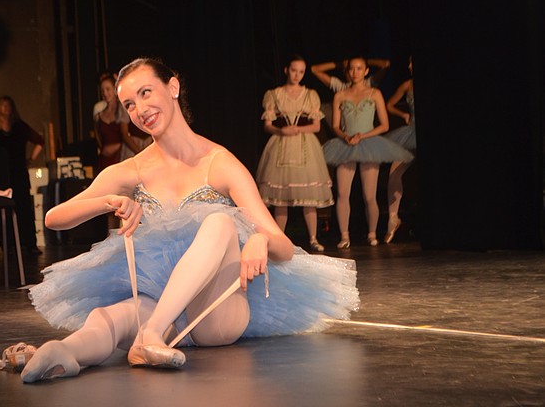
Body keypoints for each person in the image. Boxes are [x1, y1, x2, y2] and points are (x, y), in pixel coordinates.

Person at [20, 57, 359, 383]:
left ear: (173, 87)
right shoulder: (133, 170)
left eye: (145, 93)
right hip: (160, 301)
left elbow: (282, 247)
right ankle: (60, 353)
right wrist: (109, 200)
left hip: (215, 314)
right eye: (128, 105)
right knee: (112, 317)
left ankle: (149, 337)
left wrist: (259, 239)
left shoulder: (219, 162)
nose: (139, 110)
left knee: (221, 223)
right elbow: (55, 218)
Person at [322, 56, 413, 248]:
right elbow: (336, 125)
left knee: (369, 195)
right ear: (347, 72)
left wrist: (362, 136)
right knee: (342, 193)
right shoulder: (341, 95)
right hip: (346, 145)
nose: (355, 72)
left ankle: (372, 233)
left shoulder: (375, 93)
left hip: (369, 143)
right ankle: (344, 235)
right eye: (352, 69)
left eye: (359, 68)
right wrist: (346, 137)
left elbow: (384, 125)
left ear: (366, 71)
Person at [255, 55, 333, 253]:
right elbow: (267, 126)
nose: (297, 75)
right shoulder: (274, 94)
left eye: (301, 71)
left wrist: (298, 130)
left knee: (308, 196)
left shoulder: (310, 95)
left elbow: (316, 126)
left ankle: (313, 238)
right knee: (281, 196)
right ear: (286, 70)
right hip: (281, 145)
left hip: (304, 145)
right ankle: (278, 238)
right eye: (293, 70)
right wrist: (281, 131)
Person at [0, 95, 45, 256]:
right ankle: (8, 247)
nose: (5, 109)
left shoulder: (19, 126)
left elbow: (40, 141)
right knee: (2, 211)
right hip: (0, 174)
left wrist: (30, 159)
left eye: (8, 106)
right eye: (2, 105)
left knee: (24, 209)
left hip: (18, 172)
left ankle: (30, 244)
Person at [383, 56, 416, 243]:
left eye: (412, 62)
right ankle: (393, 218)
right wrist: (403, 113)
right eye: (409, 62)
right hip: (410, 133)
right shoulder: (407, 85)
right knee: (394, 173)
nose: (409, 66)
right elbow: (389, 105)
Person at [93, 71, 137, 172]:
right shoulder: (98, 116)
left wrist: (139, 153)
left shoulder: (122, 110)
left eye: (108, 89)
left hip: (121, 158)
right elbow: (99, 140)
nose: (105, 93)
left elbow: (125, 135)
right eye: (102, 90)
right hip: (104, 161)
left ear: (114, 90)